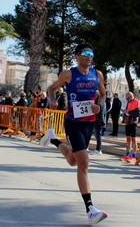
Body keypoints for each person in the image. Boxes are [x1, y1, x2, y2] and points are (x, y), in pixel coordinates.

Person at [40, 43, 107, 225]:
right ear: (77, 56)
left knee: (72, 160)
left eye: (91, 54)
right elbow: (51, 89)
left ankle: (53, 139)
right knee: (84, 162)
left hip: (89, 123)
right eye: (85, 53)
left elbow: (102, 94)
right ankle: (91, 210)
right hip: (73, 123)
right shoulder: (68, 74)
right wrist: (53, 101)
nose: (88, 56)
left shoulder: (97, 74)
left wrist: (99, 106)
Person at [120, 92, 140, 164]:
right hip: (127, 122)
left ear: (132, 96)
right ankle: (127, 154)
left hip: (133, 123)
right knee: (128, 139)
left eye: (128, 98)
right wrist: (125, 112)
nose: (127, 99)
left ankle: (134, 156)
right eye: (126, 98)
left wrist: (129, 112)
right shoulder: (129, 102)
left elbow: (138, 113)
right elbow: (128, 111)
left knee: (134, 140)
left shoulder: (137, 102)